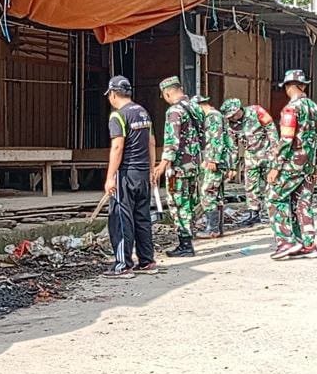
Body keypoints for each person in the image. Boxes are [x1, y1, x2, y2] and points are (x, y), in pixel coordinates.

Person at [101, 75, 157, 278]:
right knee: (142, 218)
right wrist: (151, 169)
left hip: (125, 174)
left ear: (113, 94)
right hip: (142, 174)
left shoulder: (118, 116)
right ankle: (147, 261)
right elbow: (151, 142)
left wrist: (110, 177)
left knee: (121, 219)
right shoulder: (143, 113)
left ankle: (123, 265)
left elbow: (117, 147)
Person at [267, 70, 317, 260]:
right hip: (309, 164)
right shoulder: (316, 109)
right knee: (302, 202)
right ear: (304, 85)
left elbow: (286, 140)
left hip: (292, 163)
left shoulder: (291, 109)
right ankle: (309, 245)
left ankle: (286, 242)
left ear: (288, 87)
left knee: (275, 198)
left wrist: (275, 167)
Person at [152, 76, 206, 258]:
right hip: (193, 164)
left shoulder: (174, 111)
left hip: (178, 168)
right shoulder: (195, 108)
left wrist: (162, 165)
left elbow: (172, 142)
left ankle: (185, 244)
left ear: (167, 93)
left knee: (177, 203)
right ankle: (188, 238)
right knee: (189, 202)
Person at [221, 97, 279, 227]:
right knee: (250, 186)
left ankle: (276, 213)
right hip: (251, 156)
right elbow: (233, 146)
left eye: (233, 115)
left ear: (239, 109)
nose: (232, 118)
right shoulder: (231, 124)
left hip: (267, 154)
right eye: (230, 117)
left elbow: (272, 132)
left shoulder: (257, 111)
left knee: (272, 184)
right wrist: (233, 167)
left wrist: (276, 155)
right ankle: (254, 213)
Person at [195, 95, 235, 240]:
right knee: (216, 195)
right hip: (221, 160)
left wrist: (212, 159)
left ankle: (212, 229)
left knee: (207, 192)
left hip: (216, 161)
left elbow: (215, 139)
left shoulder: (212, 116)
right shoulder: (216, 115)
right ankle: (218, 228)